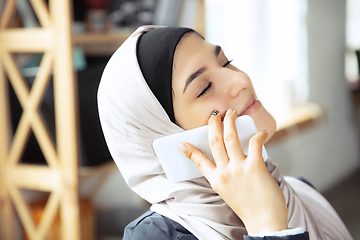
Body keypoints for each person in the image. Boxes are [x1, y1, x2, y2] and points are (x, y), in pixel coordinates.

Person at [97, 25, 353, 240]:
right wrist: (267, 225)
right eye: (205, 87)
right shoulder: (157, 236)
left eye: (226, 63)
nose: (241, 80)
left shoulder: (301, 190)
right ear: (163, 136)